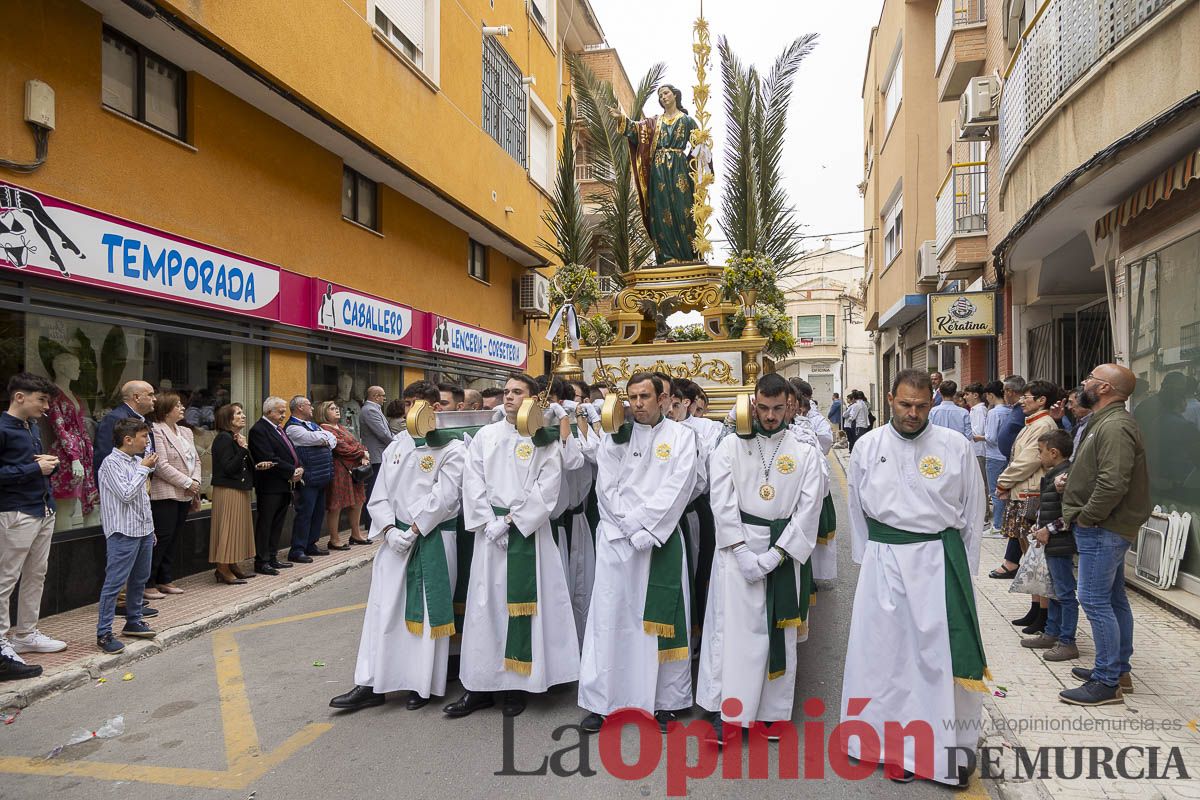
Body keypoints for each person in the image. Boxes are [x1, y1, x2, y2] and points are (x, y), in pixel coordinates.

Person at [839, 369, 986, 787]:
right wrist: (867, 562)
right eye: (905, 405)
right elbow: (858, 511)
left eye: (922, 406)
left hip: (939, 563)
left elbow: (973, 512)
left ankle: (944, 751)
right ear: (890, 399)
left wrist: (965, 572)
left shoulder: (954, 446)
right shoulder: (868, 446)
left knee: (937, 659)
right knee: (885, 656)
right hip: (884, 560)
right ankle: (887, 747)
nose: (913, 413)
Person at [697, 374, 826, 739]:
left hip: (781, 549)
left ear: (791, 406)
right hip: (736, 551)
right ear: (754, 404)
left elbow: (808, 508)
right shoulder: (730, 447)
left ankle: (773, 711)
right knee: (736, 633)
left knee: (778, 633)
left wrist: (777, 555)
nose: (770, 416)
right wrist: (740, 550)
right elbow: (720, 502)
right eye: (764, 408)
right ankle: (732, 713)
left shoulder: (804, 451)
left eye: (778, 408)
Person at [444, 374, 577, 719]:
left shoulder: (542, 439)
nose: (508, 397)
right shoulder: (485, 436)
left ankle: (520, 684)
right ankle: (481, 684)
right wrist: (488, 521)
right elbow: (471, 481)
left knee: (526, 609)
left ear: (534, 398)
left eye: (517, 392)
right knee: (484, 609)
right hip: (490, 536)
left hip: (528, 536)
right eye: (506, 392)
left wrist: (511, 522)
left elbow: (548, 487)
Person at [330, 397, 467, 712]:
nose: (412, 414)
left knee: (427, 616)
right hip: (395, 541)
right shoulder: (397, 445)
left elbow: (445, 497)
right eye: (408, 407)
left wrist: (416, 529)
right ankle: (372, 681)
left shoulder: (452, 447)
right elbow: (380, 495)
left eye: (421, 406)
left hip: (432, 538)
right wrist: (390, 530)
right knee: (383, 610)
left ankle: (421, 683)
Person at [579, 372, 697, 733]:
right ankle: (603, 701)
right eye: (632, 397)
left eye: (645, 396)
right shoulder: (615, 437)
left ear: (664, 399)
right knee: (610, 620)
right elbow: (605, 488)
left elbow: (680, 486)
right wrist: (629, 527)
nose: (638, 404)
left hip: (658, 542)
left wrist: (648, 526)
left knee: (659, 622)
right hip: (617, 542)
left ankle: (664, 702)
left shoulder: (681, 437)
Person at [1059, 364, 1149, 706]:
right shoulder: (1104, 421)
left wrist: (1087, 517)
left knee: (1094, 600)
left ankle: (1107, 681)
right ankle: (1117, 668)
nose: (1084, 384)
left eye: (1091, 380)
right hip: (1103, 525)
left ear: (1106, 389)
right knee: (1112, 599)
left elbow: (1113, 482)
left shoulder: (1114, 425)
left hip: (1103, 527)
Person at [0, 373, 65, 675]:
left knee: (36, 575)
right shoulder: (2, 427)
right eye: (42, 400)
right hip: (15, 512)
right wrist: (33, 468)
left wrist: (45, 468)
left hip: (42, 509)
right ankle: (2, 643)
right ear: (19, 397)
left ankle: (25, 635)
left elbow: (30, 469)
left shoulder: (33, 427)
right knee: (5, 579)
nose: (47, 407)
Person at [612, 85, 706, 265]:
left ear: (675, 94)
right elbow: (637, 130)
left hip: (679, 169)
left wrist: (692, 167)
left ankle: (688, 255)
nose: (663, 97)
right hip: (658, 171)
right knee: (661, 209)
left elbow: (700, 148)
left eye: (666, 93)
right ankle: (667, 256)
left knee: (683, 208)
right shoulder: (654, 122)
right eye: (660, 95)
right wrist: (622, 119)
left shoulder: (687, 121)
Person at [995, 380, 1061, 634]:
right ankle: (1036, 607)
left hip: (1031, 494)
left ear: (1042, 400)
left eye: (1028, 397)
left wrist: (1003, 481)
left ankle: (1043, 613)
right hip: (1022, 492)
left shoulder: (1043, 424)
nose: (1022, 400)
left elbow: (1029, 461)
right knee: (1028, 555)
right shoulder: (1033, 422)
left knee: (1036, 556)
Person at [95, 419, 161, 653]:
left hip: (142, 530)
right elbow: (126, 494)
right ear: (128, 439)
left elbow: (144, 500)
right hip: (123, 532)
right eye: (144, 437)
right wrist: (144, 469)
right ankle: (104, 633)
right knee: (114, 584)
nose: (147, 441)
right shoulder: (111, 463)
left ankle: (133, 621)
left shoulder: (136, 461)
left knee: (139, 579)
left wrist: (151, 529)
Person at [1021, 429, 1079, 661]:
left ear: (1054, 453)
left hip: (1061, 543)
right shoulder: (1055, 475)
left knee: (1064, 593)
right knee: (1053, 590)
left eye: (1041, 452)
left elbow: (1071, 513)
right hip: (1051, 542)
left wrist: (1049, 529)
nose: (1039, 456)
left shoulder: (1066, 478)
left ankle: (1067, 640)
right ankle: (1051, 632)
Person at [147, 392, 201, 598]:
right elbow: (160, 465)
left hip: (187, 492)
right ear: (166, 409)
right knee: (162, 537)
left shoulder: (186, 431)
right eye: (177, 405)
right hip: (166, 492)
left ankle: (165, 578)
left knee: (175, 537)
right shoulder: (156, 430)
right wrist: (187, 482)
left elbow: (196, 460)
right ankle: (148, 581)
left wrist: (195, 482)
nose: (182, 408)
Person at [247, 397, 302, 576]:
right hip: (269, 485)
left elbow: (290, 451)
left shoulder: (279, 429)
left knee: (277, 523)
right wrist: (291, 470)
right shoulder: (259, 430)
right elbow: (267, 456)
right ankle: (262, 561)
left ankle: (272, 557)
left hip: (284, 484)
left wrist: (299, 467)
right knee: (266, 523)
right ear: (269, 412)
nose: (283, 415)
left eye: (284, 411)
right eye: (280, 412)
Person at [209, 403, 257, 585]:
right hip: (228, 490)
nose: (243, 416)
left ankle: (232, 565)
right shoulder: (224, 439)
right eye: (238, 413)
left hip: (237, 488)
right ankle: (222, 569)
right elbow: (229, 468)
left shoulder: (232, 438)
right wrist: (243, 448)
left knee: (237, 528)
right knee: (228, 529)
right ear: (228, 419)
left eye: (242, 412)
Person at [285, 396, 336, 563]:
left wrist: (325, 438)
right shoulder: (293, 428)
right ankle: (297, 549)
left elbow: (333, 440)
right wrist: (324, 438)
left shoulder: (311, 425)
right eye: (309, 405)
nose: (312, 408)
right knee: (305, 513)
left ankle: (310, 544)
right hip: (308, 477)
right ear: (300, 407)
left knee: (318, 512)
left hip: (321, 476)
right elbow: (314, 439)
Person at [317, 401, 370, 550]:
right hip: (340, 470)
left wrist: (363, 453)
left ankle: (356, 534)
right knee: (336, 504)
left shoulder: (340, 427)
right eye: (332, 409)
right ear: (323, 412)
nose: (337, 410)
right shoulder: (324, 428)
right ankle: (334, 539)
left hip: (354, 469)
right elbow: (342, 448)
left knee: (358, 501)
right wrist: (361, 453)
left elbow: (357, 443)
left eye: (336, 408)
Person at [93, 380, 157, 480]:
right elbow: (104, 454)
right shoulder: (115, 418)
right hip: (120, 484)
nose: (155, 399)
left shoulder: (143, 419)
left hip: (139, 482)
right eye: (150, 395)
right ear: (136, 397)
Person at [358, 386, 392, 533]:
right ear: (376, 396)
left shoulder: (373, 409)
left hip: (379, 453)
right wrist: (396, 443)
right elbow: (382, 433)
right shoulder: (370, 410)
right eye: (383, 396)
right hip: (376, 454)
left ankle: (373, 520)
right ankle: (370, 521)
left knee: (377, 487)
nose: (384, 399)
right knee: (373, 488)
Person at [983, 381, 1012, 541]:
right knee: (1006, 491)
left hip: (994, 455)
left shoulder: (994, 413)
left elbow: (991, 437)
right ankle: (1004, 524)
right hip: (1007, 456)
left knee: (995, 491)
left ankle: (997, 526)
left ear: (991, 395)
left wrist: (979, 437)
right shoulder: (1010, 410)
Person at [964, 383, 989, 493]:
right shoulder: (975, 410)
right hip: (975, 450)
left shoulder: (979, 410)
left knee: (980, 482)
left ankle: (985, 509)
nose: (965, 397)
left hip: (979, 451)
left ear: (975, 395)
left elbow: (977, 432)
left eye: (967, 394)